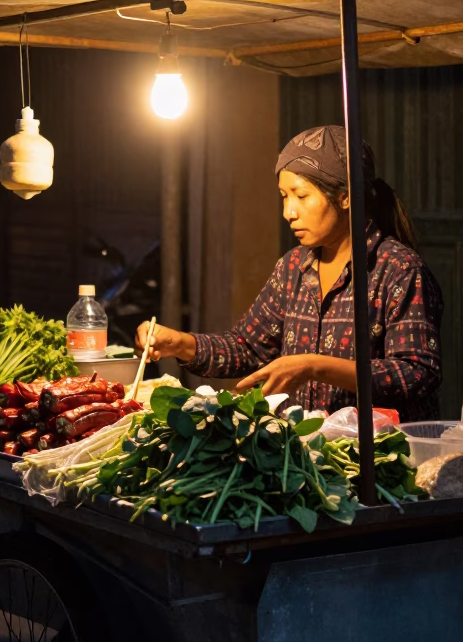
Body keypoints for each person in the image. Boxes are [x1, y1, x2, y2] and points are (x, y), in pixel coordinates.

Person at [136, 125, 445, 421]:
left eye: (301, 196)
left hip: (374, 458)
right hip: (305, 457)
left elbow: (417, 373)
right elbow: (247, 348)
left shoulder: (399, 270)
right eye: (285, 196)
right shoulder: (293, 268)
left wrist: (314, 367)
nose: (289, 212)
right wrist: (179, 343)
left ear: (346, 197)